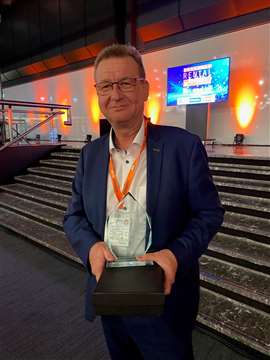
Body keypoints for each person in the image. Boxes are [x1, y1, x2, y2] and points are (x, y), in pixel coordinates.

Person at [63, 44, 224, 360]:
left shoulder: (183, 147)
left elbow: (209, 213)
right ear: (98, 94)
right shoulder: (89, 156)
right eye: (106, 86)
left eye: (125, 82)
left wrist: (175, 255)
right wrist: (91, 248)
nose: (116, 94)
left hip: (164, 299)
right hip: (109, 294)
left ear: (145, 88)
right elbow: (74, 216)